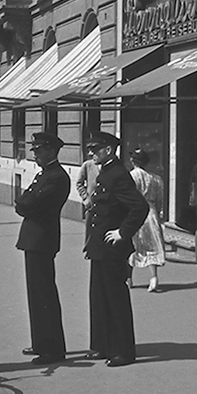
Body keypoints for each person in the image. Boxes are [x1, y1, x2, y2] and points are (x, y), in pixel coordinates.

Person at [83, 132, 149, 367]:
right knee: (99, 298)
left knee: (115, 299)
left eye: (96, 149)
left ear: (109, 150)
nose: (91, 153)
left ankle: (122, 351)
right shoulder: (108, 172)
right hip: (101, 247)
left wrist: (123, 232)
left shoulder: (118, 174)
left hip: (112, 248)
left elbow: (139, 207)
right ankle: (102, 346)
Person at [15, 133, 70, 364]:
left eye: (38, 150)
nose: (35, 154)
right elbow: (24, 201)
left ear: (51, 151)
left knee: (44, 294)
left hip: (42, 240)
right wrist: (24, 203)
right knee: (36, 295)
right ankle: (41, 342)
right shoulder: (45, 175)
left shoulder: (56, 177)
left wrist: (24, 203)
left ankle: (53, 349)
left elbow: (29, 203)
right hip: (35, 240)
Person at [128, 149, 165, 292]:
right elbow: (160, 200)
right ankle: (154, 277)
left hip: (135, 212)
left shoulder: (131, 177)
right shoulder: (156, 179)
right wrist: (158, 213)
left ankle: (128, 278)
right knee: (152, 245)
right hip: (151, 212)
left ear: (133, 161)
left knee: (131, 244)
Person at [76, 144, 99, 214]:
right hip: (91, 205)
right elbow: (79, 183)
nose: (92, 154)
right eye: (92, 152)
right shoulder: (88, 165)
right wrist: (85, 198)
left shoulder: (108, 167)